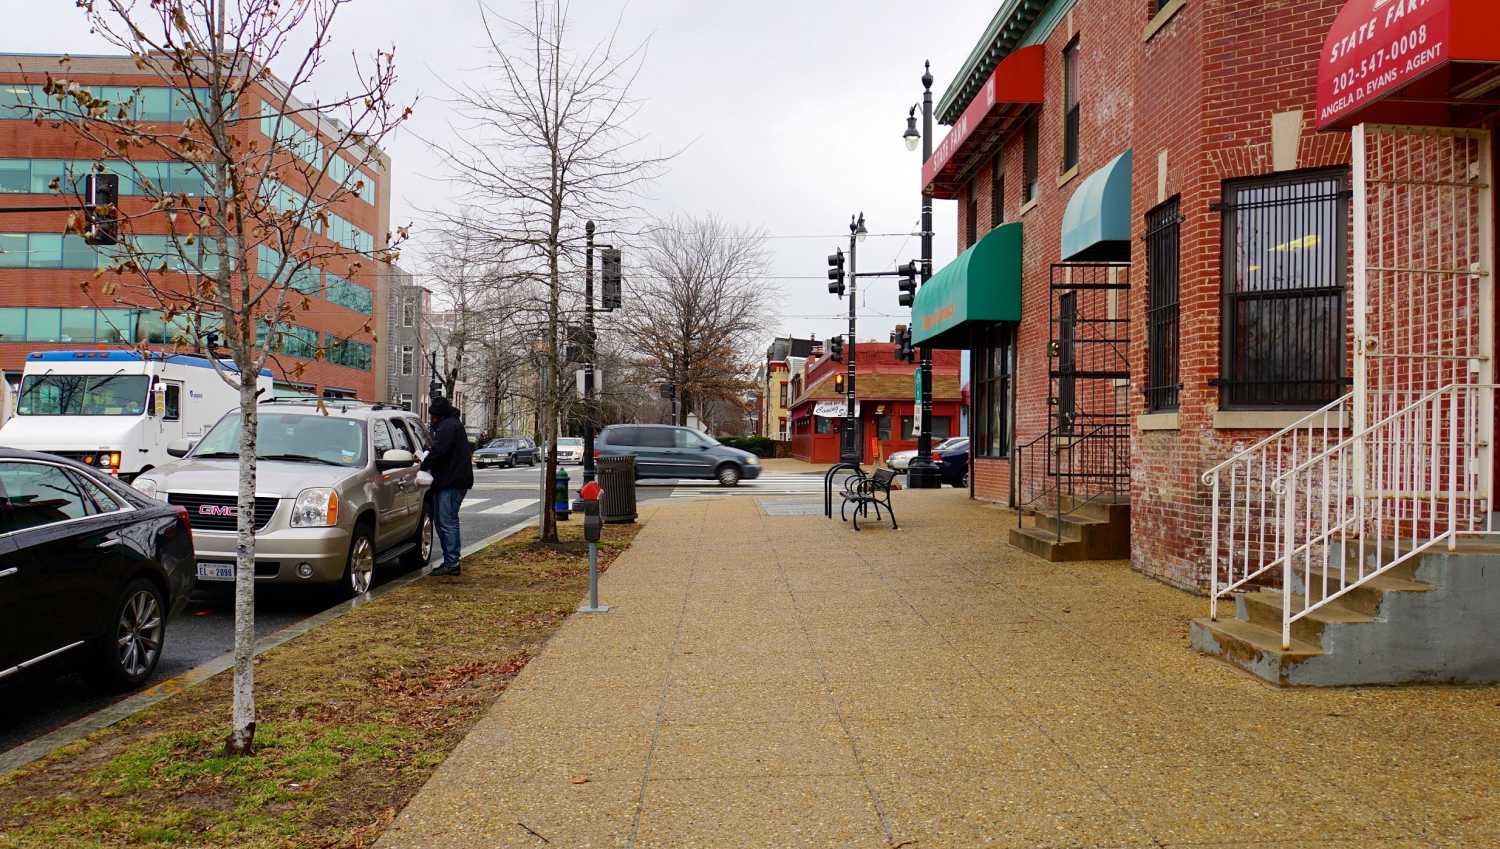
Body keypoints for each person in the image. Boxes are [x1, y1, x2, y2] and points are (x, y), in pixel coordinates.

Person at [421, 396, 473, 576]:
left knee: (447, 521)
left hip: (451, 482)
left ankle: (452, 562)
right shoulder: (451, 425)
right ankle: (450, 560)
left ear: (439, 415)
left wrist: (423, 464)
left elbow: (439, 451)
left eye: (433, 416)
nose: (431, 419)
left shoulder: (448, 427)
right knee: (443, 521)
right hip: (451, 480)